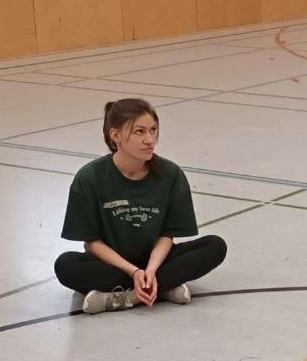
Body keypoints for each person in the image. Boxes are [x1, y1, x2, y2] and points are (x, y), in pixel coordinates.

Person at [54, 98, 227, 314]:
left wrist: (151, 269)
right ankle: (162, 289)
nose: (149, 139)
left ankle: (129, 296)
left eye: (153, 130)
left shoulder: (170, 174)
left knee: (214, 246)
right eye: (139, 132)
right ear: (115, 135)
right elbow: (92, 244)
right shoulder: (89, 178)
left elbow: (167, 236)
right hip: (114, 264)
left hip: (158, 260)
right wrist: (134, 272)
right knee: (65, 264)